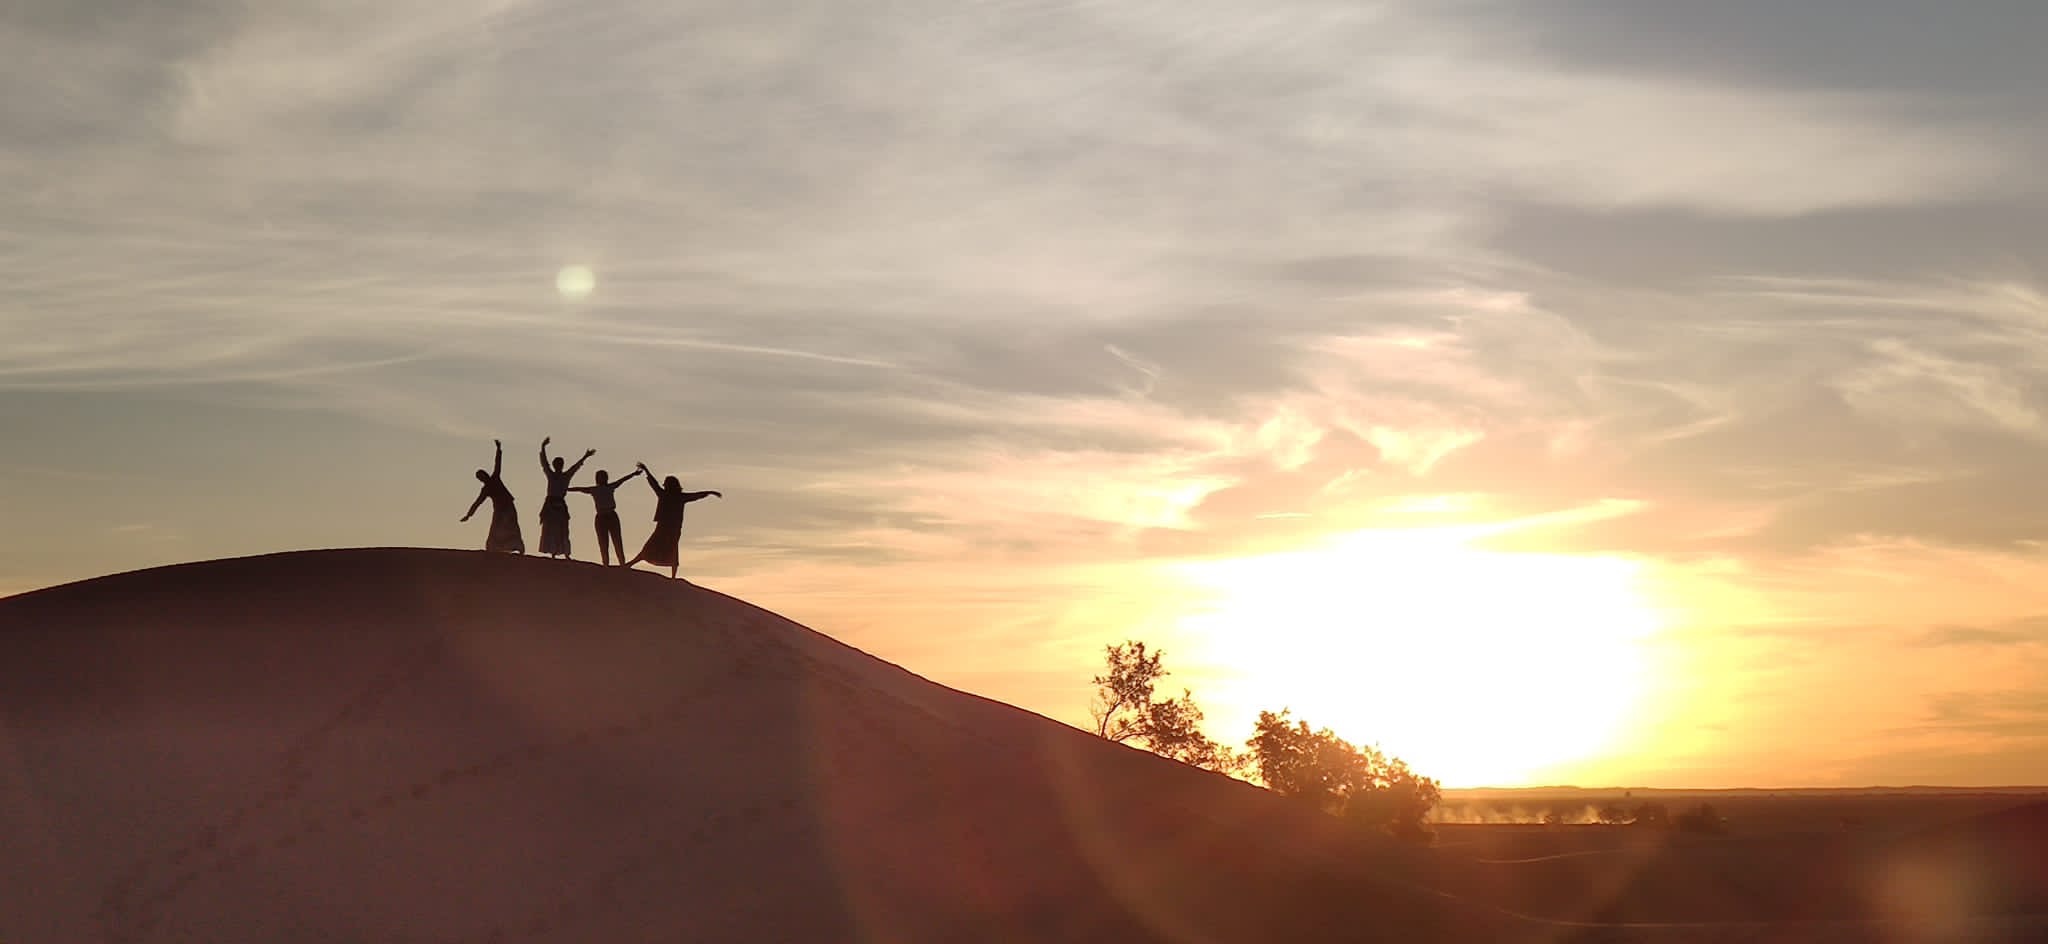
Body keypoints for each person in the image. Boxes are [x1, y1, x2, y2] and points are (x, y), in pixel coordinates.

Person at [624, 462, 721, 579]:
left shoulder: (671, 496)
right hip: (668, 527)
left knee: (664, 548)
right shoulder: (673, 496)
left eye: (666, 484)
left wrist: (709, 492)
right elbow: (696, 495)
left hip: (669, 527)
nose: (664, 486)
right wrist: (710, 492)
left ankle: (633, 565)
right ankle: (632, 565)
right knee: (659, 547)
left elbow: (696, 495)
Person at [568, 466, 644, 566]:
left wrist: (633, 474)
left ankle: (622, 563)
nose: (602, 479)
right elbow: (580, 489)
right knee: (603, 542)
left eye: (603, 477)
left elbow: (622, 480)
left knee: (617, 540)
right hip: (601, 517)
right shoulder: (594, 489)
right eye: (600, 477)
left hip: (611, 515)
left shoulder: (609, 487)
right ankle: (606, 564)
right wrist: (567, 489)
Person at [460, 439, 524, 553]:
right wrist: (469, 515)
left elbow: (498, 464)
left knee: (512, 526)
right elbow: (477, 503)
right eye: (481, 477)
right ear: (481, 479)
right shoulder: (486, 489)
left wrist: (499, 450)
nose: (484, 477)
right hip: (500, 510)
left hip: (508, 506)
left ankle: (517, 547)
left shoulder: (495, 478)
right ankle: (495, 548)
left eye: (483, 475)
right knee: (496, 528)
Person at [537, 436, 596, 559]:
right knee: (551, 529)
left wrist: (585, 456)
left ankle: (565, 553)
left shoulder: (566, 476)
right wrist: (543, 447)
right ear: (555, 465)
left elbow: (576, 467)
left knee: (563, 529)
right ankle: (553, 552)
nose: (559, 465)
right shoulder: (551, 475)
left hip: (560, 505)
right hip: (551, 504)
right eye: (557, 464)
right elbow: (544, 463)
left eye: (560, 464)